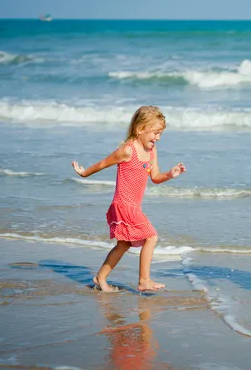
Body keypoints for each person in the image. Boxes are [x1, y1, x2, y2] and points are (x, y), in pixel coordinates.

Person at [72, 106, 186, 292]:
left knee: (123, 245)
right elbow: (103, 163)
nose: (158, 138)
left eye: (160, 134)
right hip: (123, 205)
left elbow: (155, 177)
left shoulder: (151, 151)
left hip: (133, 206)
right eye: (155, 133)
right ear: (140, 128)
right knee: (152, 237)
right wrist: (84, 173)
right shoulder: (127, 151)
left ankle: (100, 278)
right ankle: (144, 280)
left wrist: (170, 174)